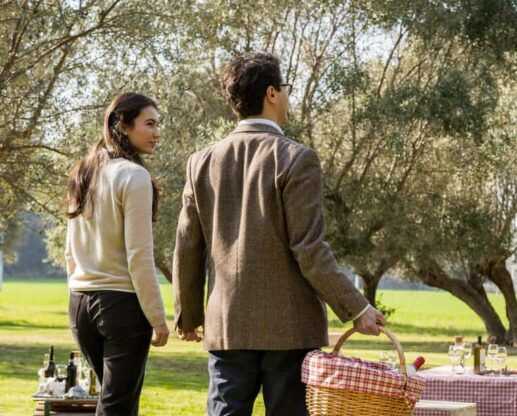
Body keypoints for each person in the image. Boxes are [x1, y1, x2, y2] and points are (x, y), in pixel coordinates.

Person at [172, 51, 386, 416]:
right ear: (272, 93)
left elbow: (188, 245)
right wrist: (356, 308)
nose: (287, 97)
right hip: (289, 329)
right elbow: (310, 248)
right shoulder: (296, 158)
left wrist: (188, 313)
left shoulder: (201, 161)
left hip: (228, 325)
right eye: (285, 88)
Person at [65, 92, 170, 415]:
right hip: (120, 306)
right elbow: (140, 255)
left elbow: (70, 251)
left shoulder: (84, 171)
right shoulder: (134, 176)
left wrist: (78, 288)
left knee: (111, 402)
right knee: (118, 406)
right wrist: (158, 319)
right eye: (149, 124)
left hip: (80, 305)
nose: (157, 132)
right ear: (122, 126)